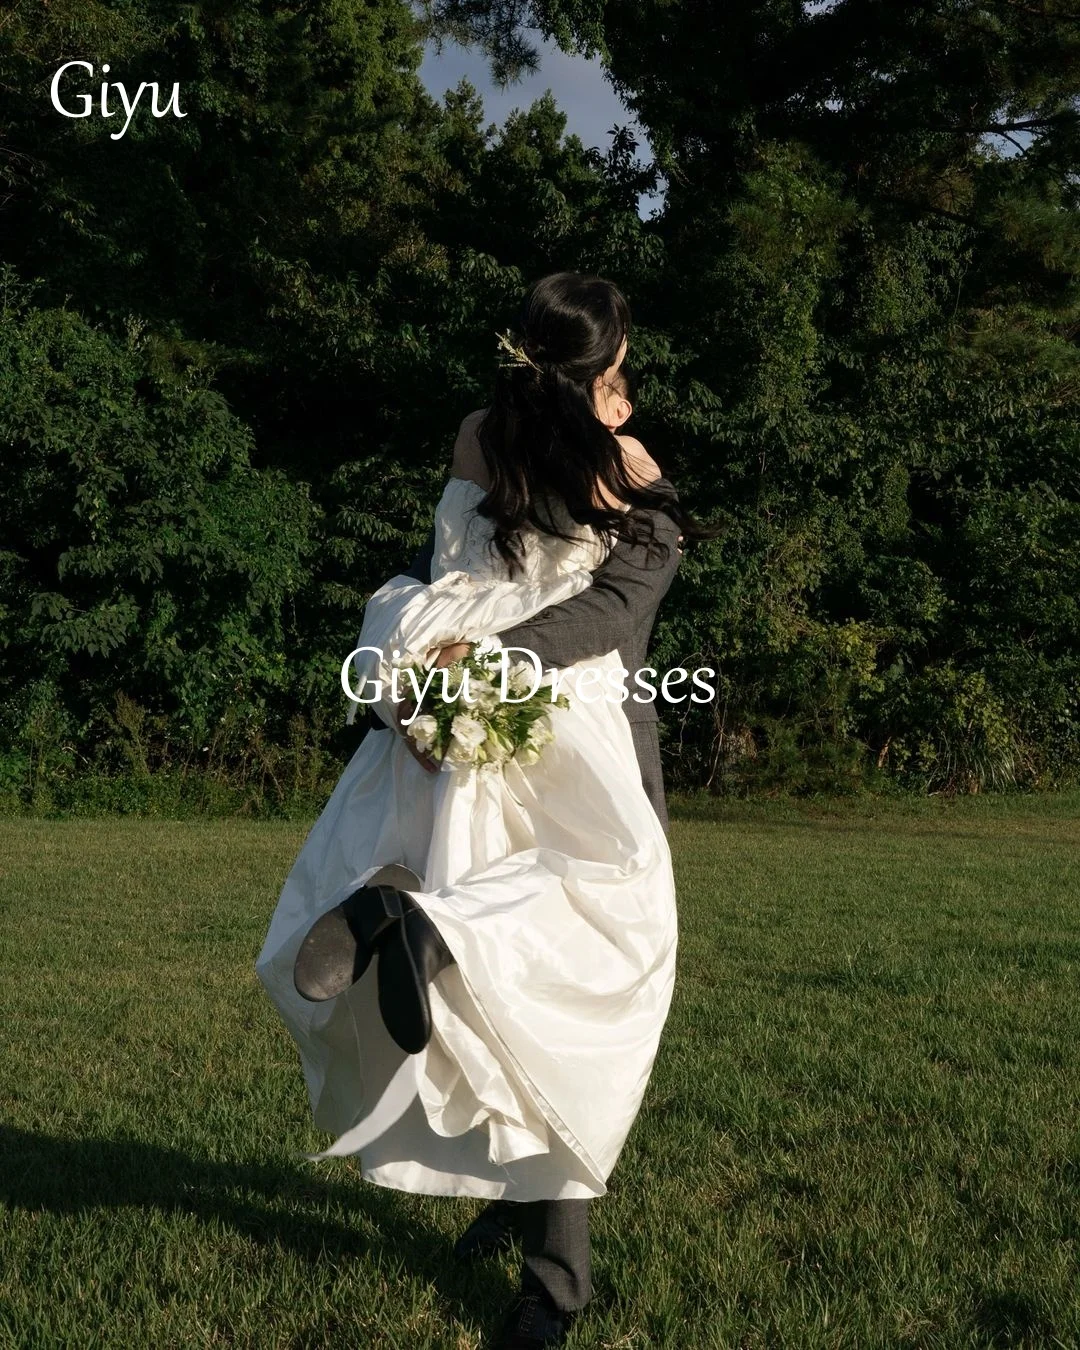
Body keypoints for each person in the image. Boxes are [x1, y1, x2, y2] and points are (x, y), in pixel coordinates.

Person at [255, 271, 716, 1349]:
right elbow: (619, 604)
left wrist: (423, 676)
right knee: (576, 987)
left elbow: (436, 573)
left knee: (501, 986)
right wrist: (638, 495)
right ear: (604, 365)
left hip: (444, 748)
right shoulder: (622, 466)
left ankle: (405, 913)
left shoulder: (477, 435)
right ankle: (557, 1285)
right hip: (562, 749)